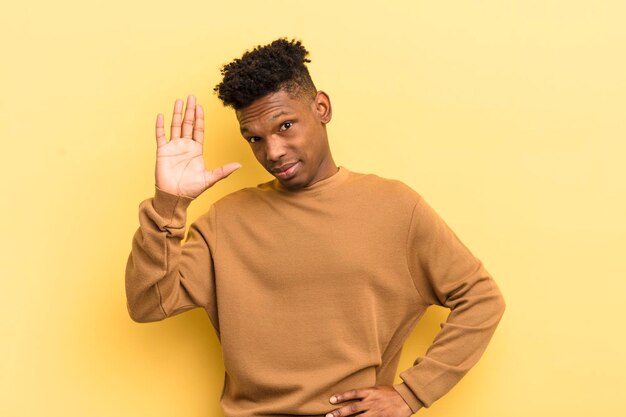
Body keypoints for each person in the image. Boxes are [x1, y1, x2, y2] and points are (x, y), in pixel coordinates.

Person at [125, 38, 506, 417]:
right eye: (254, 139)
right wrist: (169, 203)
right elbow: (148, 304)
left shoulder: (394, 207)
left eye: (285, 125)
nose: (272, 152)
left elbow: (480, 298)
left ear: (321, 107)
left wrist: (411, 394)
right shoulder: (226, 221)